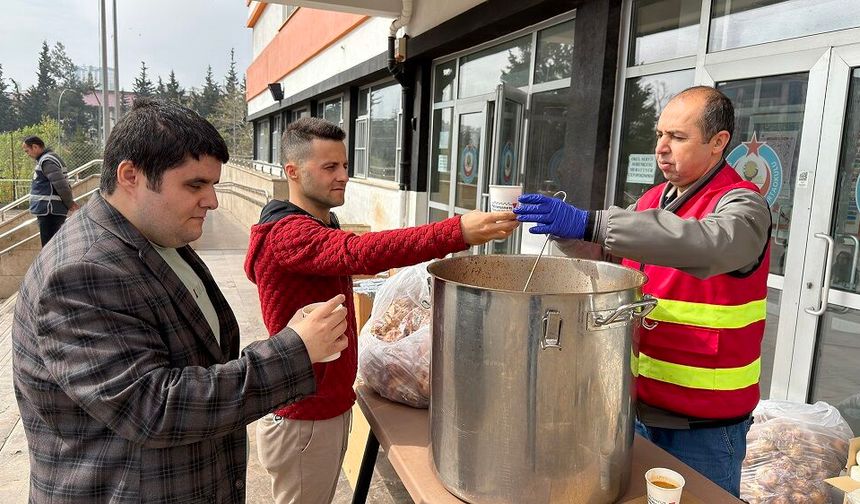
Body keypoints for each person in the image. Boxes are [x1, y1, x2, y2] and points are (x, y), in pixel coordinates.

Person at [12, 99, 349, 504]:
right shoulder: (83, 271)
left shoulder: (158, 235)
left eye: (213, 185)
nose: (212, 201)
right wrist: (294, 350)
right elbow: (154, 407)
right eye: (195, 185)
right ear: (131, 176)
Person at [244, 117, 519, 504]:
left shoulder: (318, 223)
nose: (343, 176)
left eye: (344, 165)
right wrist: (457, 231)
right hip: (304, 418)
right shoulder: (288, 233)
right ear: (292, 171)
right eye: (329, 167)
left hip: (322, 409)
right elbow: (359, 252)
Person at [514, 86, 771, 497]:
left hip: (703, 429)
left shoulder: (743, 205)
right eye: (659, 134)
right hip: (636, 410)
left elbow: (712, 243)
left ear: (718, 142)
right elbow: (607, 253)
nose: (661, 148)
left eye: (678, 137)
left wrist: (594, 223)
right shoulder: (652, 200)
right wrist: (569, 234)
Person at [22, 135, 80, 245]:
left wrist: (70, 203)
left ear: (35, 147)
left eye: (27, 151)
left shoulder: (47, 161)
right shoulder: (47, 160)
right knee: (52, 245)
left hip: (50, 210)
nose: (27, 154)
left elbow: (60, 185)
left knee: (49, 246)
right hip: (49, 210)